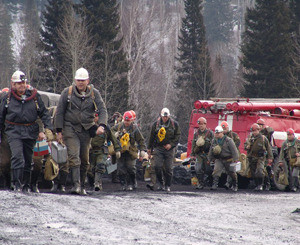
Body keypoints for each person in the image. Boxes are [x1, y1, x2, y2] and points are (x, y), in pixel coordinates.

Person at [55, 67, 108, 195]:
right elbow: (60, 112)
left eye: (83, 80)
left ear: (88, 81)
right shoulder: (67, 92)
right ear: (75, 80)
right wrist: (59, 131)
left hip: (87, 128)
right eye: (78, 80)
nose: (80, 83)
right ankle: (76, 185)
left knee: (84, 159)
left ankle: (82, 185)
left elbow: (102, 109)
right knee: (74, 155)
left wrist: (102, 125)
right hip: (70, 127)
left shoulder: (94, 93)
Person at [0, 71, 53, 192]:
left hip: (30, 130)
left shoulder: (34, 97)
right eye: (18, 83)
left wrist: (47, 127)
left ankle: (27, 184)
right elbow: (1, 116)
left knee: (29, 159)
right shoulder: (7, 98)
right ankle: (16, 184)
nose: (21, 85)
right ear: (13, 84)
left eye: (23, 83)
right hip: (13, 131)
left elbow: (44, 113)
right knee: (17, 156)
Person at [147, 108, 181, 192]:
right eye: (164, 116)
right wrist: (149, 148)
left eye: (166, 116)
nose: (165, 118)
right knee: (157, 166)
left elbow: (177, 137)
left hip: (169, 149)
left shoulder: (174, 124)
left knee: (168, 168)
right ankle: (160, 183)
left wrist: (171, 145)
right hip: (159, 148)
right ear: (161, 116)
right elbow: (151, 137)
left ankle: (167, 185)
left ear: (169, 116)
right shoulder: (156, 124)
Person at [112, 110, 146, 191]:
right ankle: (123, 184)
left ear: (132, 120)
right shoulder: (119, 126)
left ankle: (132, 182)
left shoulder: (135, 129)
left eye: (128, 120)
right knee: (120, 169)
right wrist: (114, 135)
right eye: (126, 120)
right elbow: (110, 131)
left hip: (131, 151)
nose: (127, 122)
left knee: (131, 168)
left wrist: (142, 150)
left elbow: (141, 140)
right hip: (121, 150)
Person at [89, 125, 121, 191]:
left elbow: (113, 139)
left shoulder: (106, 128)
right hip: (90, 151)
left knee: (100, 165)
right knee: (90, 168)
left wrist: (117, 149)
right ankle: (92, 183)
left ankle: (97, 183)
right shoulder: (89, 125)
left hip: (102, 150)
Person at [208, 126, 239, 192]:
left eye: (218, 133)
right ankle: (214, 185)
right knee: (216, 171)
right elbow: (211, 150)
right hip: (219, 159)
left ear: (222, 133)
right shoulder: (214, 141)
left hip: (228, 159)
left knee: (232, 173)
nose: (216, 134)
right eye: (216, 133)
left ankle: (234, 185)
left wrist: (235, 159)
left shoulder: (228, 140)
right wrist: (209, 159)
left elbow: (234, 150)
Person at [245, 123, 273, 191]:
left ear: (258, 130)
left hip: (261, 157)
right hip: (252, 157)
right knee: (253, 172)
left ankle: (262, 184)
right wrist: (247, 147)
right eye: (253, 131)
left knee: (259, 171)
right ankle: (257, 185)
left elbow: (268, 148)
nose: (254, 132)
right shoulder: (250, 138)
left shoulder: (263, 138)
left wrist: (270, 157)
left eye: (255, 131)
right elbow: (245, 145)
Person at [190, 117, 214, 189]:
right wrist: (192, 154)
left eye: (202, 124)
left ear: (205, 124)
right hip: (199, 154)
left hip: (207, 154)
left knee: (208, 169)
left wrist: (212, 155)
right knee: (198, 169)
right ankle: (201, 183)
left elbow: (213, 144)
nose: (201, 126)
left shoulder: (210, 133)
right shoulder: (196, 134)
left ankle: (211, 182)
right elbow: (193, 144)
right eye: (199, 124)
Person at [220, 121, 241, 189]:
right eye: (223, 129)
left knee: (231, 170)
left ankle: (231, 184)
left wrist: (231, 148)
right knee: (228, 170)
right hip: (225, 156)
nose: (224, 131)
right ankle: (229, 183)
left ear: (228, 128)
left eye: (225, 129)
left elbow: (238, 142)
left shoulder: (233, 135)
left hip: (233, 155)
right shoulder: (221, 137)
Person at [109, 111, 123, 183]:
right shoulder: (111, 124)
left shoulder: (121, 125)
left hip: (120, 143)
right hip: (113, 144)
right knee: (113, 161)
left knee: (120, 161)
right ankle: (114, 177)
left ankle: (119, 176)